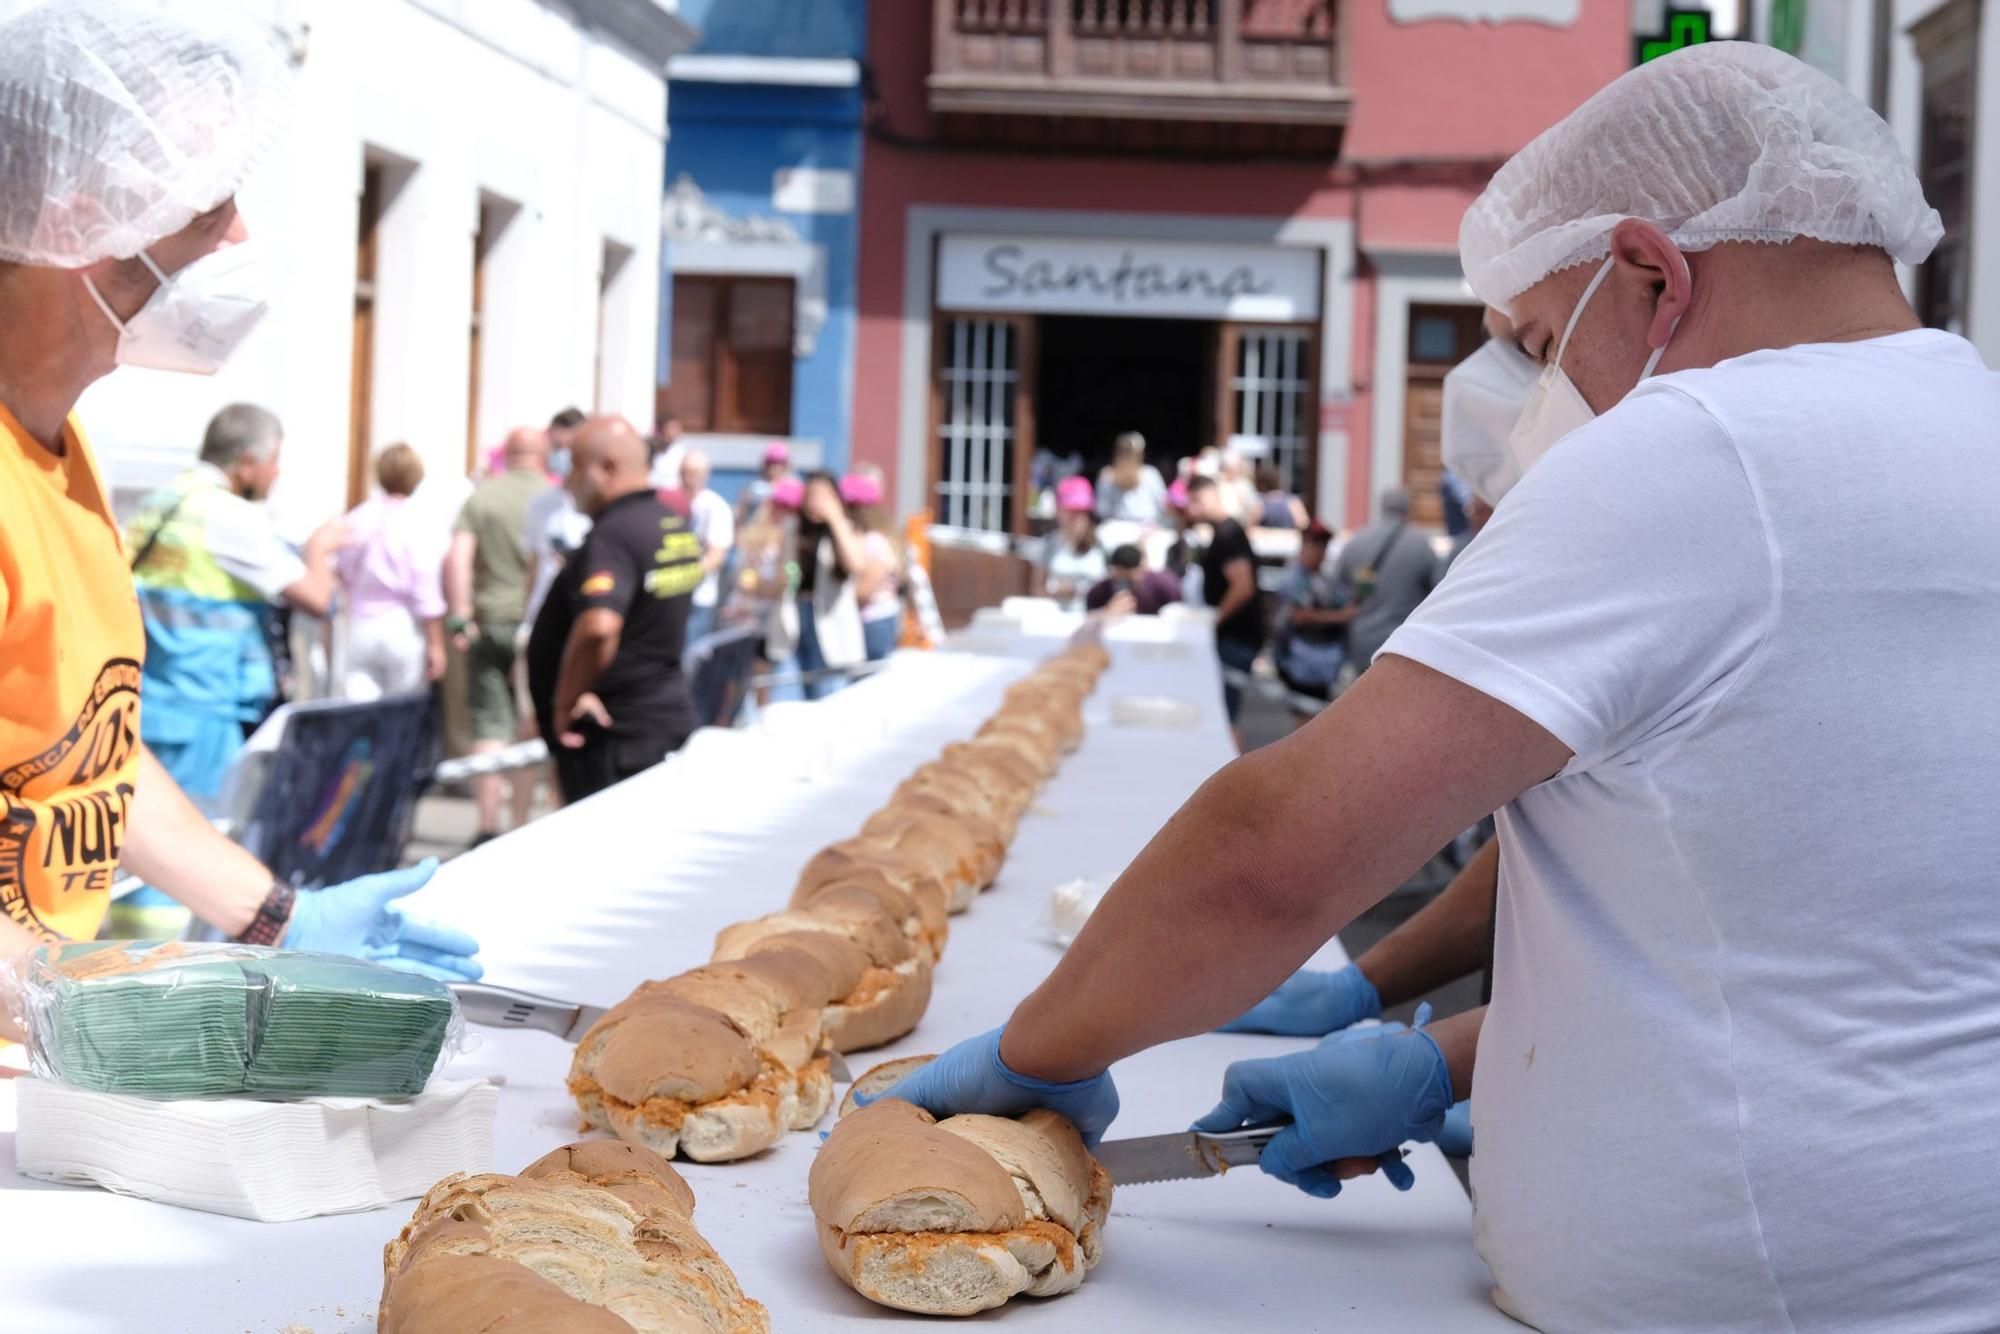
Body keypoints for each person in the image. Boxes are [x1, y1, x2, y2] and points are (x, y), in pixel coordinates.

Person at [861, 43, 1999, 1330]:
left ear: (1649, 275)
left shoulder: (1698, 448)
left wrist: (1041, 1054)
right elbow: (1820, 920)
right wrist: (1443, 1057)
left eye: (1533, 341)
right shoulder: (1967, 423)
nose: (1534, 399)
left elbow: (1274, 847)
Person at [0, 0, 478, 978]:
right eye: (209, 200)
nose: (239, 235)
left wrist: (272, 917)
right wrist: (82, 997)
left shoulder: (60, 444)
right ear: (74, 215)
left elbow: (86, 749)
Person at [126, 403, 342, 807]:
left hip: (153, 703)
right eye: (274, 460)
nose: (277, 473)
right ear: (247, 463)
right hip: (208, 711)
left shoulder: (161, 501)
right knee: (196, 840)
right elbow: (319, 598)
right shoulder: (230, 517)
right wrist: (320, 548)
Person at [527, 417, 701, 804]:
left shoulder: (614, 535)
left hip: (616, 738)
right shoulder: (669, 522)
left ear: (607, 467)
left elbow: (599, 627)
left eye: (575, 466)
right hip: (657, 720)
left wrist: (567, 700)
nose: (569, 481)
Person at [446, 426, 550, 845]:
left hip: (489, 622)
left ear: (507, 455)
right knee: (527, 726)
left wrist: (460, 616)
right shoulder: (552, 499)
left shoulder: (482, 497)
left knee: (489, 724)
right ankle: (520, 826)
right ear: (543, 454)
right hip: (536, 625)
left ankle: (487, 826)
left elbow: (458, 558)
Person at [336, 443, 446, 699]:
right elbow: (425, 583)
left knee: (359, 712)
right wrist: (436, 642)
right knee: (402, 714)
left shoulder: (359, 516)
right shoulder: (421, 520)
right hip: (402, 623)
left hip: (361, 621)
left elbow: (342, 567)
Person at [775, 473, 876, 701]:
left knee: (829, 689)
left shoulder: (846, 528)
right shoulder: (794, 528)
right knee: (795, 686)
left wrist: (835, 520)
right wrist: (789, 577)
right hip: (798, 613)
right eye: (811, 495)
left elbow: (856, 565)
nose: (815, 501)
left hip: (831, 618)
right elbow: (789, 570)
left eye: (823, 495)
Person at [1184, 475, 1263, 742]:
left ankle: (1235, 778)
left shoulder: (1228, 533)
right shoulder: (1223, 532)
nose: (1193, 509)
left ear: (1214, 496)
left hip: (1236, 637)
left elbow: (1242, 586)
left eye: (1198, 500)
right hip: (1233, 635)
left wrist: (1214, 620)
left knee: (1226, 717)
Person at [1329, 488, 1437, 676]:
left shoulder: (1356, 541)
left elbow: (1337, 587)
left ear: (1381, 508)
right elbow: (1436, 593)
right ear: (1408, 509)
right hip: (1402, 643)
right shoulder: (1421, 546)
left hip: (1361, 639)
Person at [1271, 520, 1349, 698]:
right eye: (1318, 547)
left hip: (1318, 659)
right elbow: (1300, 616)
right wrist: (1341, 616)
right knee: (1306, 715)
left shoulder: (1319, 576)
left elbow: (1341, 597)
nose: (1322, 554)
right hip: (1298, 658)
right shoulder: (1295, 578)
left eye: (1324, 548)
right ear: (1306, 545)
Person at [840, 472, 904, 660]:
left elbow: (865, 590)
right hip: (869, 621)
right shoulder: (871, 539)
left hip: (874, 621)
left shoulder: (874, 541)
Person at [679, 448, 734, 648]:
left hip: (698, 598)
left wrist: (681, 579)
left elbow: (715, 556)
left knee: (691, 659)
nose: (687, 478)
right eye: (684, 472)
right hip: (671, 599)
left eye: (693, 473)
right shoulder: (672, 504)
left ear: (705, 474)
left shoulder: (715, 507)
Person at [1041, 477, 1106, 610]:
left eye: (1081, 511)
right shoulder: (1049, 544)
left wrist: (1081, 591)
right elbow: (1036, 589)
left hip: (1091, 620)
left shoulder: (1103, 543)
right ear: (1058, 510)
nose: (1076, 517)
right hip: (1054, 621)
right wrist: (1055, 592)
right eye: (1070, 511)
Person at [1093, 431, 1167, 525]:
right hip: (1115, 526)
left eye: (1132, 452)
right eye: (1124, 452)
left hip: (1147, 526)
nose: (1128, 456)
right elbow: (1101, 511)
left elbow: (1163, 505)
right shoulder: (1107, 475)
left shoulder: (1150, 473)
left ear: (1140, 454)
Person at [1083, 545, 1179, 616]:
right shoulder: (1097, 593)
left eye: (1130, 580)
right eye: (1120, 580)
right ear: (1113, 572)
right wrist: (1107, 612)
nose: (1125, 585)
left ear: (1142, 570)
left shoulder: (1164, 587)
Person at [736, 441, 794, 524]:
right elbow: (741, 513)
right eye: (771, 462)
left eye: (779, 463)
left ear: (785, 465)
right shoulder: (753, 486)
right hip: (755, 531)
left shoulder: (793, 486)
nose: (774, 467)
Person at [1253, 464, 1308, 531]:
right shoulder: (1292, 501)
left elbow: (1251, 525)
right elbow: (1303, 523)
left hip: (1266, 539)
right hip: (1289, 538)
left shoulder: (1260, 503)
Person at [647, 413, 686, 492]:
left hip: (673, 493)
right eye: (671, 428)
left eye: (677, 428)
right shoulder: (649, 449)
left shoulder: (681, 452)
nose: (674, 432)